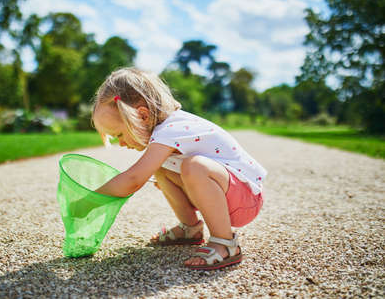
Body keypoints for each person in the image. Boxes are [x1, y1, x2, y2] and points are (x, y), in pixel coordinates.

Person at [92, 67, 267, 270]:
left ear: (142, 116)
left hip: (246, 199)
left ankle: (225, 242)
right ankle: (190, 229)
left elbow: (134, 179)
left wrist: (91, 199)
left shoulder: (170, 130)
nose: (120, 144)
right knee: (161, 170)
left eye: (119, 135)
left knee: (195, 167)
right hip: (228, 193)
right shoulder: (164, 132)